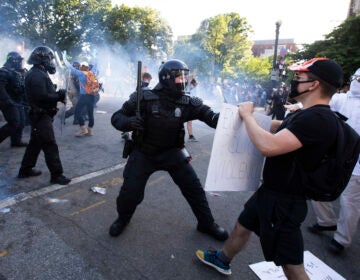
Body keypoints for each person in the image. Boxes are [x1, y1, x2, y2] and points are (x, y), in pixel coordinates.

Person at [196, 57, 343, 278]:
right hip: (272, 192)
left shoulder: (317, 119)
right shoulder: (307, 113)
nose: (293, 82)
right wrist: (244, 119)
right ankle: (222, 259)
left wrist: (247, 116)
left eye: (299, 78)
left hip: (285, 202)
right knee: (243, 224)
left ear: (314, 84)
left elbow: (268, 145)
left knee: (291, 265)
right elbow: (280, 128)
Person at [109, 59, 228, 241]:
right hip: (144, 152)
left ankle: (206, 223)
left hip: (172, 152)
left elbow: (212, 117)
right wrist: (128, 122)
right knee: (130, 192)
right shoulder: (143, 98)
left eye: (185, 77)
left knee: (194, 189)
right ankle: (123, 219)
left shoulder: (187, 102)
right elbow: (117, 116)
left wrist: (236, 116)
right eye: (180, 77)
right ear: (167, 78)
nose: (184, 81)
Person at [308, 68, 360, 254]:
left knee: (349, 201)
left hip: (358, 165)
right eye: (355, 77)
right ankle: (326, 221)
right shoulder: (342, 99)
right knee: (317, 186)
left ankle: (341, 239)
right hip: (335, 156)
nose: (356, 81)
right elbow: (318, 104)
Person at [18, 46, 71, 185]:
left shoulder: (40, 72)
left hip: (40, 115)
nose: (52, 62)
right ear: (43, 59)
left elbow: (44, 92)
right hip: (40, 115)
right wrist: (58, 95)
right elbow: (41, 96)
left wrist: (56, 93)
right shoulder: (36, 74)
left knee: (35, 144)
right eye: (50, 59)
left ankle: (25, 169)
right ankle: (57, 175)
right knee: (49, 144)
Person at [0, 51, 28, 147]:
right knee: (14, 122)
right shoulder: (4, 71)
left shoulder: (16, 72)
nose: (21, 63)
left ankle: (16, 141)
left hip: (18, 101)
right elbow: (0, 88)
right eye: (19, 61)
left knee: (21, 123)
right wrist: (8, 101)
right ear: (14, 60)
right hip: (8, 101)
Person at [63, 57, 95, 137]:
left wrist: (64, 59)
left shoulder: (80, 73)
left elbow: (70, 67)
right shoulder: (92, 73)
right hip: (92, 96)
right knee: (91, 114)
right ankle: (90, 131)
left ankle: (83, 129)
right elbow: (95, 66)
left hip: (84, 96)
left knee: (77, 112)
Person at [187, 77, 199, 142]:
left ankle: (191, 136)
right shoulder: (188, 87)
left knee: (189, 121)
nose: (197, 83)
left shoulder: (194, 88)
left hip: (190, 105)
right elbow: (190, 79)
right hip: (186, 105)